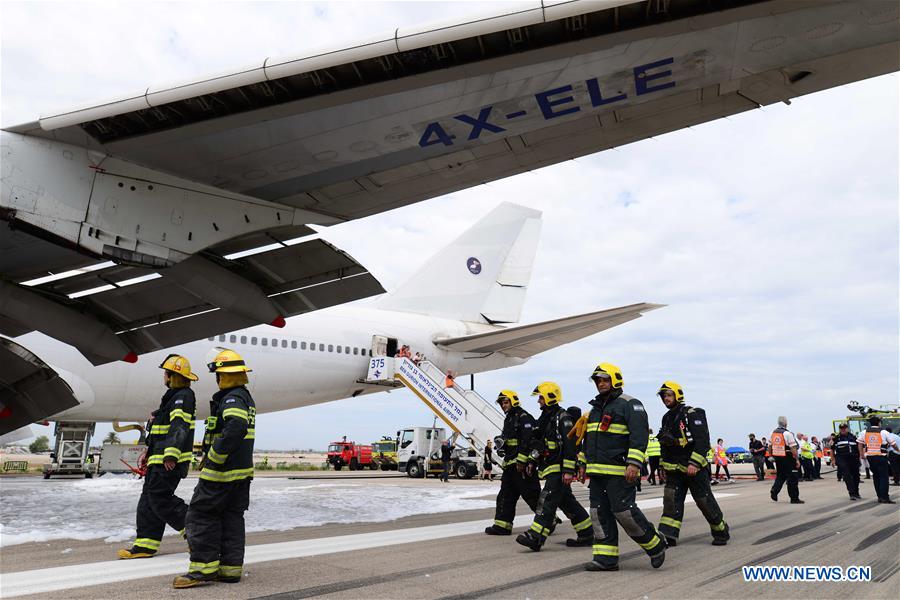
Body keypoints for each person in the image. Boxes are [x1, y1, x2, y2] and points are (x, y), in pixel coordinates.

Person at [173, 348, 256, 588]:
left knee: (200, 515)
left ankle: (203, 569)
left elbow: (236, 426)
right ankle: (230, 570)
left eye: (218, 375)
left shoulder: (232, 398)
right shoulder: (244, 397)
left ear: (225, 375)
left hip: (222, 473)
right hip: (240, 474)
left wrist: (215, 456)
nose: (217, 379)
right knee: (231, 519)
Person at [580, 364, 665, 572]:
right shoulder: (594, 409)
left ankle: (655, 544)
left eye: (605, 380)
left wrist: (634, 463)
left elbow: (639, 436)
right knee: (597, 514)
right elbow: (588, 440)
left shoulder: (630, 404)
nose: (601, 384)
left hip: (619, 472)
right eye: (598, 380)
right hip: (597, 474)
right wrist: (582, 463)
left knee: (624, 513)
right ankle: (605, 559)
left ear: (615, 380)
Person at [118, 354, 197, 559]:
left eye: (166, 373)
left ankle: (198, 533)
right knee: (148, 501)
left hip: (168, 462)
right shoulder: (171, 398)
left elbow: (179, 426)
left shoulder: (183, 396)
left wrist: (171, 455)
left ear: (172, 376)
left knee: (160, 499)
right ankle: (145, 545)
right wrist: (155, 420)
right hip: (158, 460)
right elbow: (164, 429)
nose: (164, 376)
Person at [516, 381, 593, 552]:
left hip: (559, 468)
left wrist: (568, 471)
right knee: (567, 503)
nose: (539, 401)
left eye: (541, 397)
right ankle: (587, 533)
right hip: (550, 467)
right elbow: (538, 443)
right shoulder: (545, 419)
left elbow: (570, 445)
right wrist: (531, 460)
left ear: (550, 397)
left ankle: (536, 537)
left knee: (547, 500)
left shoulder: (563, 418)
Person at [655, 380, 729, 549]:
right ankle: (668, 535)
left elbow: (702, 441)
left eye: (669, 395)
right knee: (671, 502)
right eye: (663, 396)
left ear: (677, 395)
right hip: (674, 470)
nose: (666, 398)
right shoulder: (666, 418)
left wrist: (694, 463)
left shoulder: (693, 414)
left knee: (704, 501)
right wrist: (662, 465)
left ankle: (721, 531)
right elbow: (664, 444)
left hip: (694, 470)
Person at [485, 390, 542, 535]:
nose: (503, 406)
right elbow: (511, 440)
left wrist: (523, 460)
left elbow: (528, 440)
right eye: (501, 404)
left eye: (506, 402)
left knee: (531, 495)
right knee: (505, 495)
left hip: (522, 465)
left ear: (513, 401)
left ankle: (548, 520)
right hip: (510, 464)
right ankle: (502, 526)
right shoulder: (509, 418)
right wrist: (502, 445)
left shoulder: (524, 417)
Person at [859, 415, 898, 503]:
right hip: (881, 457)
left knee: (876, 476)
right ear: (879, 423)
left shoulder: (864, 432)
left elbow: (860, 443)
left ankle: (880, 496)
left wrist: (861, 454)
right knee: (883, 477)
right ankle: (885, 497)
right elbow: (893, 444)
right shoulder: (884, 432)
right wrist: (898, 450)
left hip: (870, 457)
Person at [769, 416, 803, 504]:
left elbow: (770, 446)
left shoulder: (773, 433)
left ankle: (774, 490)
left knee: (781, 476)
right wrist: (797, 460)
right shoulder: (788, 434)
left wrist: (771, 455)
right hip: (788, 457)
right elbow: (793, 449)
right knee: (793, 478)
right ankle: (794, 498)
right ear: (786, 424)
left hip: (778, 457)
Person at [833, 423, 861, 500]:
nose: (843, 430)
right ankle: (851, 493)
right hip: (842, 459)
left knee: (856, 476)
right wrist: (833, 460)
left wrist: (860, 457)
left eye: (844, 428)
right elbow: (832, 449)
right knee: (847, 475)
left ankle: (856, 491)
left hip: (853, 458)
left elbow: (859, 447)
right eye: (841, 428)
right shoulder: (836, 438)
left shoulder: (853, 437)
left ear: (847, 429)